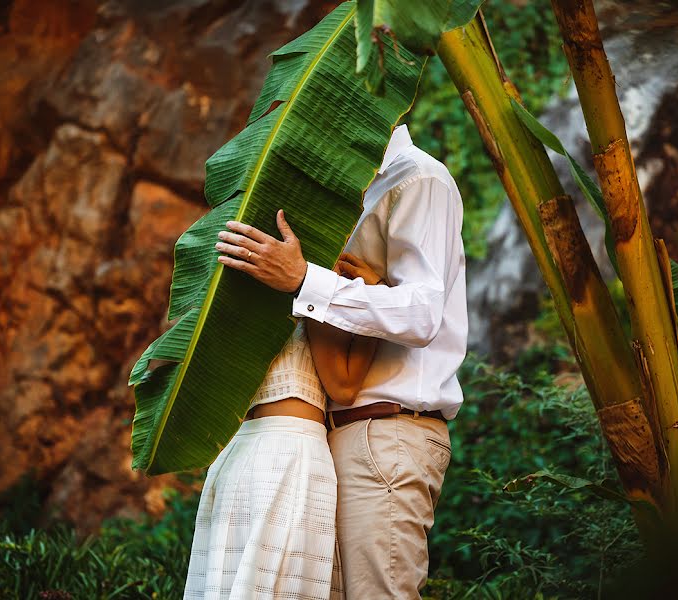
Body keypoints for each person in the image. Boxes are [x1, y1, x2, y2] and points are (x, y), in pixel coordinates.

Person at [215, 124, 467, 598]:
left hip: (387, 429)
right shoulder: (341, 195)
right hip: (329, 436)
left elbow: (423, 312)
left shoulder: (416, 180)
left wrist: (304, 279)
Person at [183, 256, 387, 600]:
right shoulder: (309, 284)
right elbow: (344, 386)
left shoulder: (234, 287)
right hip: (289, 454)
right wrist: (378, 301)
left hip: (238, 454)